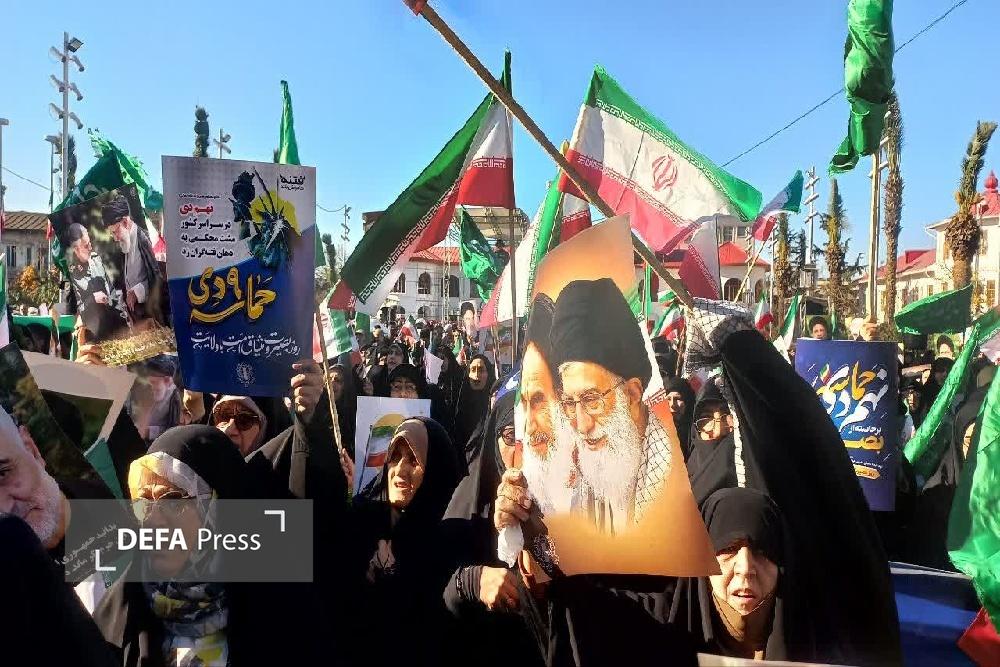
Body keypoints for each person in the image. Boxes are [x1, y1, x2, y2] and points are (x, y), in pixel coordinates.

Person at [93, 426, 320, 665]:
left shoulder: (283, 607)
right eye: (143, 504)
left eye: (172, 501)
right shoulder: (116, 616)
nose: (152, 521)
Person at [549, 278, 671, 529]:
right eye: (570, 403)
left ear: (632, 394)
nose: (582, 425)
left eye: (592, 399)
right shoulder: (585, 466)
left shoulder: (674, 475)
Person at [440, 388, 545, 667]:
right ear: (493, 440)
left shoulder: (566, 505)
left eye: (535, 434)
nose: (523, 448)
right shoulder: (466, 507)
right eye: (511, 436)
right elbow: (435, 597)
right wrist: (471, 581)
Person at [348, 418, 462, 666]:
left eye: (413, 460)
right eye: (395, 457)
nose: (399, 470)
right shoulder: (362, 519)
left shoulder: (450, 538)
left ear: (434, 470)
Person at [669, 488, 783, 660]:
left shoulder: (820, 642)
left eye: (762, 550)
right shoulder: (652, 632)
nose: (745, 569)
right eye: (728, 549)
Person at [103, 195, 162, 326]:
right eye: (112, 234)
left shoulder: (146, 239)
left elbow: (160, 277)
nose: (115, 238)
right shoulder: (125, 243)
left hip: (152, 317)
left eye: (115, 232)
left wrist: (137, 291)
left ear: (125, 222)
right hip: (136, 318)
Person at [66, 222, 127, 338]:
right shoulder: (70, 274)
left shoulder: (96, 260)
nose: (90, 248)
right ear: (76, 249)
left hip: (110, 326)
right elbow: (71, 311)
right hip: (88, 332)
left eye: (89, 243)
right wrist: (93, 299)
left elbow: (111, 291)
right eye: (86, 246)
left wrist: (122, 316)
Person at [127, 354, 184, 443]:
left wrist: (149, 432)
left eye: (153, 382)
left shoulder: (178, 398)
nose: (150, 387)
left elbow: (175, 431)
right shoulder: (135, 390)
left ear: (168, 381)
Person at [452, 353, 496, 455]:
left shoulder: (494, 406)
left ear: (488, 374)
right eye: (473, 370)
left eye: (481, 370)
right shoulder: (461, 403)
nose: (476, 376)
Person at [664, 376, 696, 458]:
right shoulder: (663, 434)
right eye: (668, 399)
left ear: (687, 400)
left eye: (677, 398)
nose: (672, 405)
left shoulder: (697, 430)